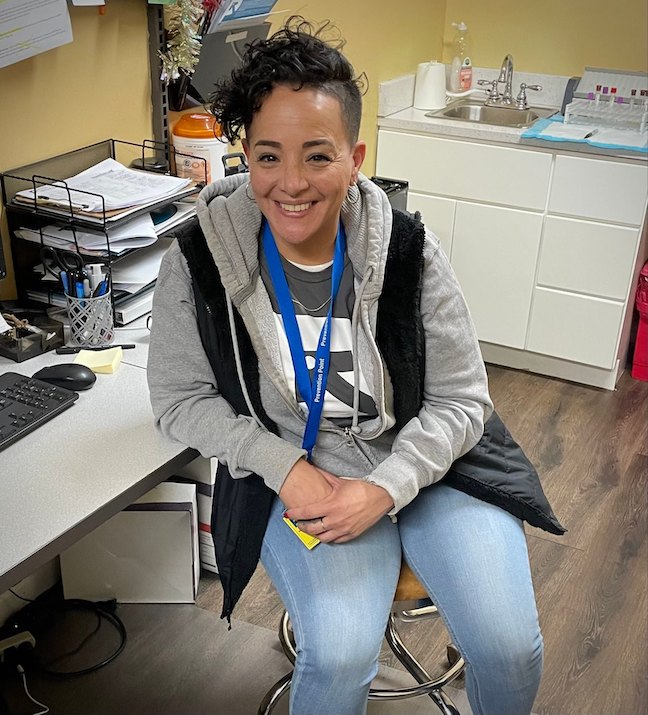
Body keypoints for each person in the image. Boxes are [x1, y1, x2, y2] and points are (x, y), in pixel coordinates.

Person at [148, 17, 562, 715]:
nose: (291, 184)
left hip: (429, 466)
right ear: (244, 155)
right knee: (340, 656)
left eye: (318, 156)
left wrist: (387, 486)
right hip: (300, 477)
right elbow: (179, 398)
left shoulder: (407, 252)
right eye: (268, 157)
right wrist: (283, 465)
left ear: (355, 156)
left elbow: (463, 401)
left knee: (508, 647)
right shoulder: (197, 261)